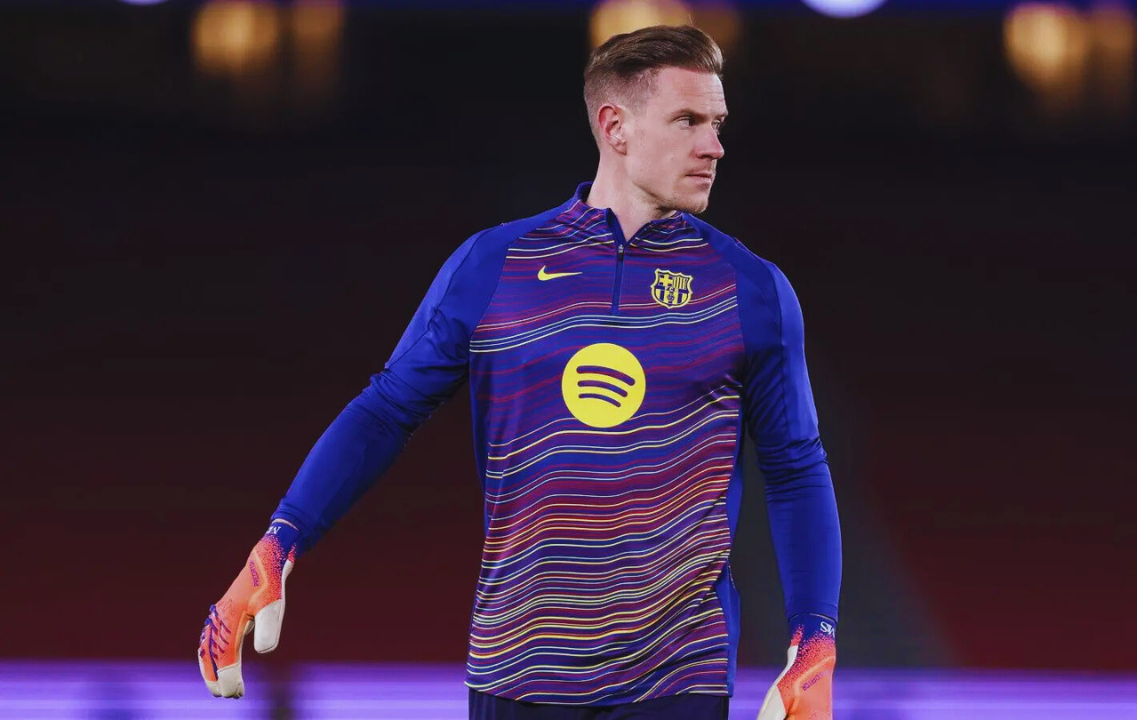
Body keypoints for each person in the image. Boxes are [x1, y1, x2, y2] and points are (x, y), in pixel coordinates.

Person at [197, 24, 841, 720]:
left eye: (717, 123)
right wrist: (279, 542)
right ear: (615, 127)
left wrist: (816, 639)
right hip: (517, 669)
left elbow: (797, 467)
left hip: (679, 678)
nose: (713, 145)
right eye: (688, 121)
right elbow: (384, 411)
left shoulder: (751, 289)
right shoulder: (494, 265)